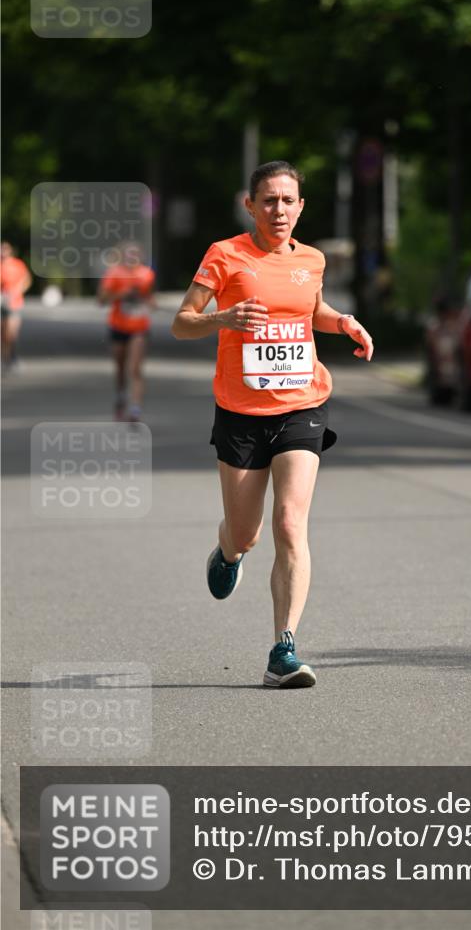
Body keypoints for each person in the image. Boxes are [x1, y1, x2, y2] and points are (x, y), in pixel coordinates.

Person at [171, 161, 373, 688]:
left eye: (288, 201)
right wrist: (223, 318)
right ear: (251, 205)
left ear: (301, 206)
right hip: (240, 410)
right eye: (269, 201)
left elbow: (310, 311)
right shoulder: (226, 254)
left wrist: (344, 322)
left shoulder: (312, 258)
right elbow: (181, 322)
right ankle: (229, 550)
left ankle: (283, 649)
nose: (279, 210)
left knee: (290, 522)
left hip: (303, 402)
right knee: (249, 531)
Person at [98, 242, 156, 421]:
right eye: (129, 254)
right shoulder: (113, 274)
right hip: (118, 326)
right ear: (122, 256)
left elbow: (151, 299)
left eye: (136, 254)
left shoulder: (147, 275)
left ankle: (135, 408)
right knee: (121, 368)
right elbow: (101, 300)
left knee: (135, 368)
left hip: (139, 327)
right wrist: (122, 295)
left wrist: (149, 302)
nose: (132, 257)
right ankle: (121, 394)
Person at [1, 241, 33, 368]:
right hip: (1, 301)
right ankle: (5, 358)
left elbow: (27, 279)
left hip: (14, 302)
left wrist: (18, 290)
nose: (3, 252)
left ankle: (11, 358)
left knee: (11, 332)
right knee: (3, 332)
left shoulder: (18, 264)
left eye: (5, 249)